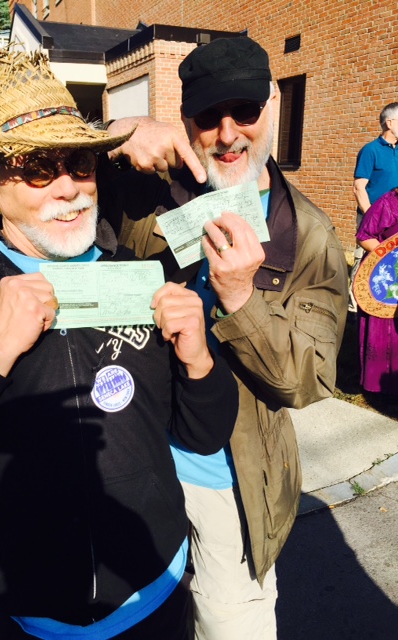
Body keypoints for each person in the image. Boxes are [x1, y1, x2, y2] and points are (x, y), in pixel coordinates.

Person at [0, 49, 239, 639]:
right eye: (37, 168)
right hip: (15, 616)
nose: (67, 187)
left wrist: (198, 358)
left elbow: (203, 432)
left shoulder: (137, 275)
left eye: (80, 164)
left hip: (155, 601)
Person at [103, 36, 349, 640]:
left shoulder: (309, 233)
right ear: (185, 119)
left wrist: (241, 299)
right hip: (133, 462)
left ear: (273, 105)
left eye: (245, 110)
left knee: (230, 624)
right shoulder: (151, 191)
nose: (229, 133)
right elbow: (42, 185)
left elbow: (309, 381)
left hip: (229, 486)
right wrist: (113, 129)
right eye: (208, 116)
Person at [350, 103, 398, 311]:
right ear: (390, 123)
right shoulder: (370, 151)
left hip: (395, 222)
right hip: (374, 219)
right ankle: (356, 302)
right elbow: (359, 187)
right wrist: (373, 219)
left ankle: (388, 303)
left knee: (391, 263)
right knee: (367, 260)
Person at [356, 186, 398, 395]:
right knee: (385, 331)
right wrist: (391, 254)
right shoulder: (388, 203)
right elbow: (364, 236)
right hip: (386, 277)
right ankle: (382, 387)